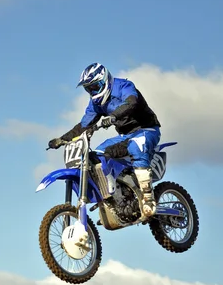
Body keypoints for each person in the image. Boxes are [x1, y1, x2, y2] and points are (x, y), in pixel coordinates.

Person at [48, 62, 162, 218]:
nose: (92, 91)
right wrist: (62, 139)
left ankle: (148, 198)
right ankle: (114, 198)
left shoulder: (124, 86)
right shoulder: (95, 104)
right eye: (89, 88)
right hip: (124, 135)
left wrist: (114, 116)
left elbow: (132, 102)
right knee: (97, 155)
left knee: (136, 146)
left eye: (94, 87)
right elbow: (84, 125)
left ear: (104, 80)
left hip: (147, 130)